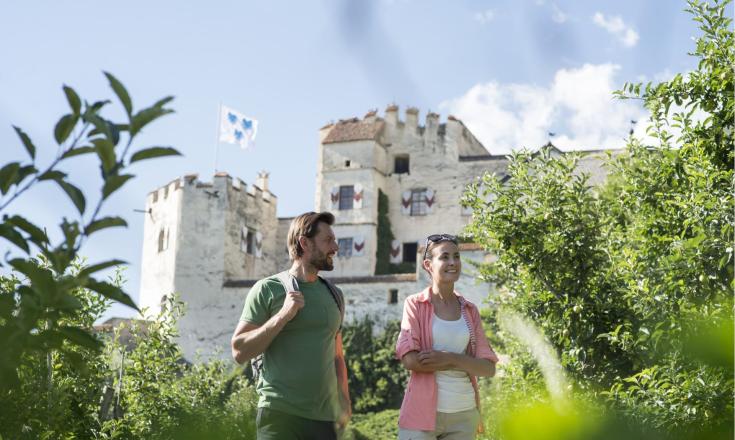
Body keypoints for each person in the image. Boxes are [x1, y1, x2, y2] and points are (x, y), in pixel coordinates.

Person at [231, 211, 351, 440]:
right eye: (328, 240)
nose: (335, 246)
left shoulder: (335, 295)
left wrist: (345, 401)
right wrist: (283, 315)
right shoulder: (267, 289)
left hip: (325, 420)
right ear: (304, 243)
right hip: (279, 416)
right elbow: (239, 350)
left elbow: (337, 356)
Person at [395, 233, 499, 440]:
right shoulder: (415, 304)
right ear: (428, 264)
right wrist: (466, 363)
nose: (453, 262)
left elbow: (488, 368)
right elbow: (410, 360)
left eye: (456, 256)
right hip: (421, 413)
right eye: (444, 257)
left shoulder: (470, 310)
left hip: (464, 413)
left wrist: (450, 359)